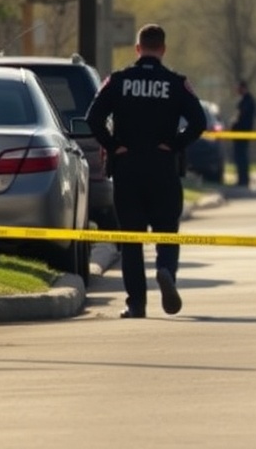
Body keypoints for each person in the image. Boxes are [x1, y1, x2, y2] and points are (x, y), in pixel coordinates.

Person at [86, 23, 207, 319]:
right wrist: (174, 144)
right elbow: (199, 121)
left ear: (138, 49)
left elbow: (93, 118)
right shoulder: (175, 83)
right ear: (163, 49)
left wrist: (113, 146)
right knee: (167, 232)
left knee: (131, 240)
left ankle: (136, 304)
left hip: (127, 170)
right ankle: (165, 271)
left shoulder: (118, 80)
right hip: (163, 169)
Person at [230, 80, 256, 187]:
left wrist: (235, 123)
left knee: (242, 156)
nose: (238, 90)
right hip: (240, 132)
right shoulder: (243, 100)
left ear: (243, 88)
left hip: (243, 131)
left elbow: (242, 116)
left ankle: (243, 179)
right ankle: (241, 178)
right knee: (240, 156)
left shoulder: (248, 101)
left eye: (239, 88)